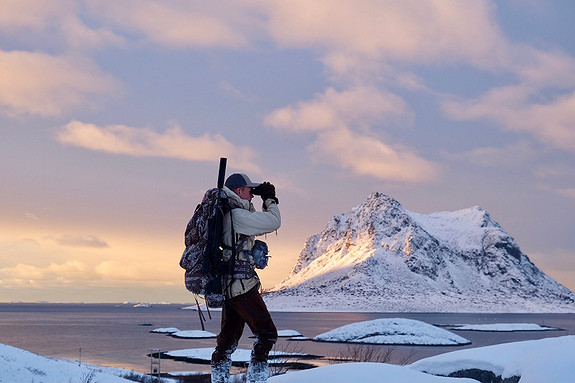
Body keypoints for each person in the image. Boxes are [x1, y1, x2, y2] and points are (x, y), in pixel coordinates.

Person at [211, 173, 281, 383]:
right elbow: (274, 221)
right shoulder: (237, 217)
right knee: (267, 334)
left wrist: (258, 197)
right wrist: (269, 199)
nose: (252, 195)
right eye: (249, 190)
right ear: (239, 191)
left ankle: (219, 379)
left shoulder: (232, 213)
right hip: (242, 286)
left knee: (227, 342)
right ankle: (257, 379)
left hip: (230, 287)